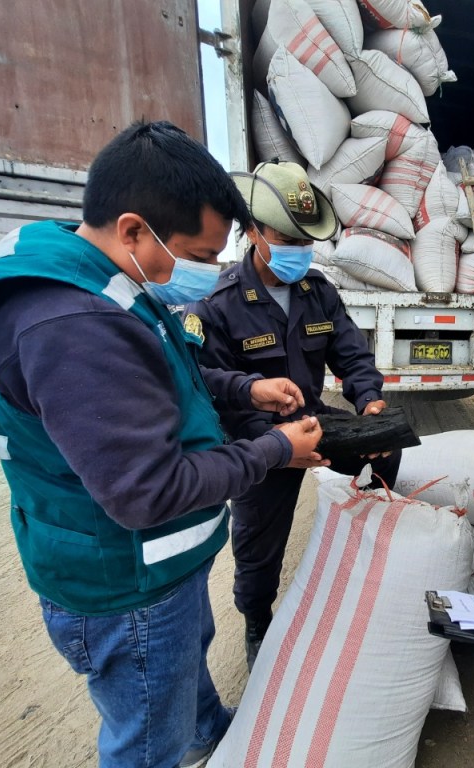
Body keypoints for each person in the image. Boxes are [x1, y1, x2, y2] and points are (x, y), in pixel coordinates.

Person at [0, 121, 325, 768]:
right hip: (127, 584)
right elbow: (147, 493)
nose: (211, 274)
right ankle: (184, 738)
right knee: (146, 738)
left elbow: (158, 370)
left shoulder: (103, 278)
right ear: (133, 229)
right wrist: (276, 451)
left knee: (180, 674)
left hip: (159, 573)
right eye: (202, 256)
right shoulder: (73, 327)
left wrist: (246, 392)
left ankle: (207, 729)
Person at [184, 160, 401, 670]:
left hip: (314, 418)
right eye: (288, 238)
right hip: (260, 439)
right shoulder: (216, 303)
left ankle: (363, 568)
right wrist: (251, 388)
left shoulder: (317, 290)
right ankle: (257, 620)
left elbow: (351, 354)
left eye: (306, 240)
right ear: (255, 233)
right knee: (258, 542)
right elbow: (200, 380)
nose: (299, 251)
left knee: (385, 452)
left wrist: (368, 398)